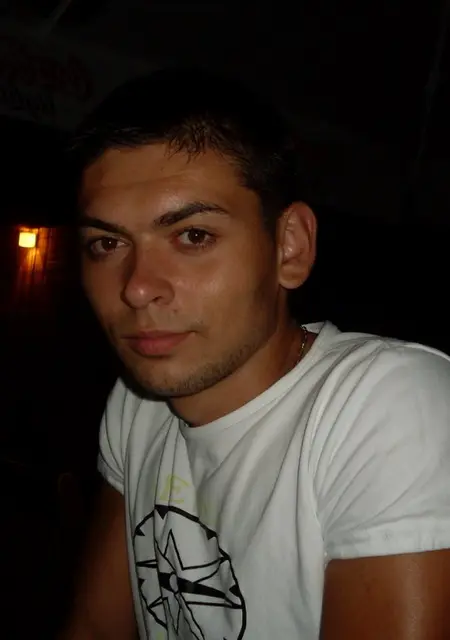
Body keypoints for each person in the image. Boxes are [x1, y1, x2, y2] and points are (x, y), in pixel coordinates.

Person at [61, 67, 450, 640]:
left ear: (289, 248)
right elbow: (96, 627)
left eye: (193, 236)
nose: (137, 288)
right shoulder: (138, 402)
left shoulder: (385, 404)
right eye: (107, 243)